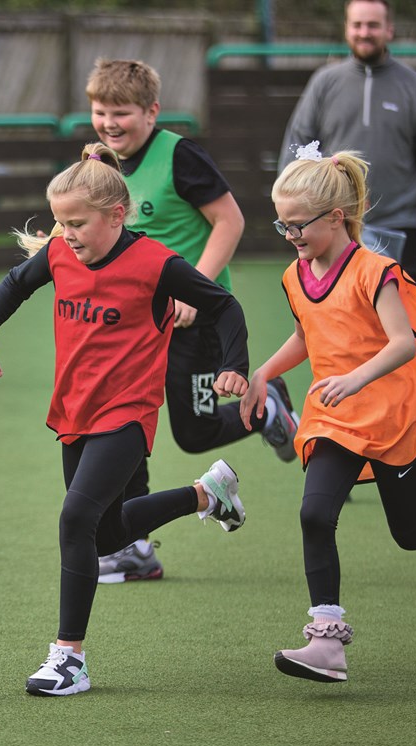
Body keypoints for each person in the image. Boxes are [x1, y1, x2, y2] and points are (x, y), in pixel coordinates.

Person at [0, 143, 252, 696]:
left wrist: (233, 365)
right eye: (59, 222)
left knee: (75, 520)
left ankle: (68, 658)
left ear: (116, 216)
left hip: (128, 413)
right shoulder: (59, 254)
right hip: (74, 410)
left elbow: (223, 306)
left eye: (77, 223)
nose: (66, 234)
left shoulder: (155, 264)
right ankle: (205, 495)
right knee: (104, 536)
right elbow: (16, 283)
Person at [240, 144, 416, 684]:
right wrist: (265, 372)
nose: (291, 237)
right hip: (331, 417)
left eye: (299, 227)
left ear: (335, 217)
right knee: (315, 514)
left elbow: (402, 343)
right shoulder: (296, 275)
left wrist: (356, 376)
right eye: (283, 226)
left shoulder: (376, 270)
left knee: (407, 531)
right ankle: (326, 640)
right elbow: (306, 333)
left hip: (390, 414)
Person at [84, 58, 300, 584]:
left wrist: (196, 293)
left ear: (152, 111)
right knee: (123, 426)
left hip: (194, 323)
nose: (110, 123)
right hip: (133, 326)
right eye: (99, 111)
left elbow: (231, 221)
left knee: (195, 433)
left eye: (122, 113)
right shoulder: (101, 162)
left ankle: (267, 405)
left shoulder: (181, 157)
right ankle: (133, 548)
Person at [279, 0, 416, 282]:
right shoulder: (324, 82)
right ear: (346, 29)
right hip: (336, 227)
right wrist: (292, 218)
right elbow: (297, 144)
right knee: (338, 320)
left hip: (398, 229)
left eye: (373, 25)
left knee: (399, 321)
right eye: (357, 25)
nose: (365, 32)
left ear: (389, 30)